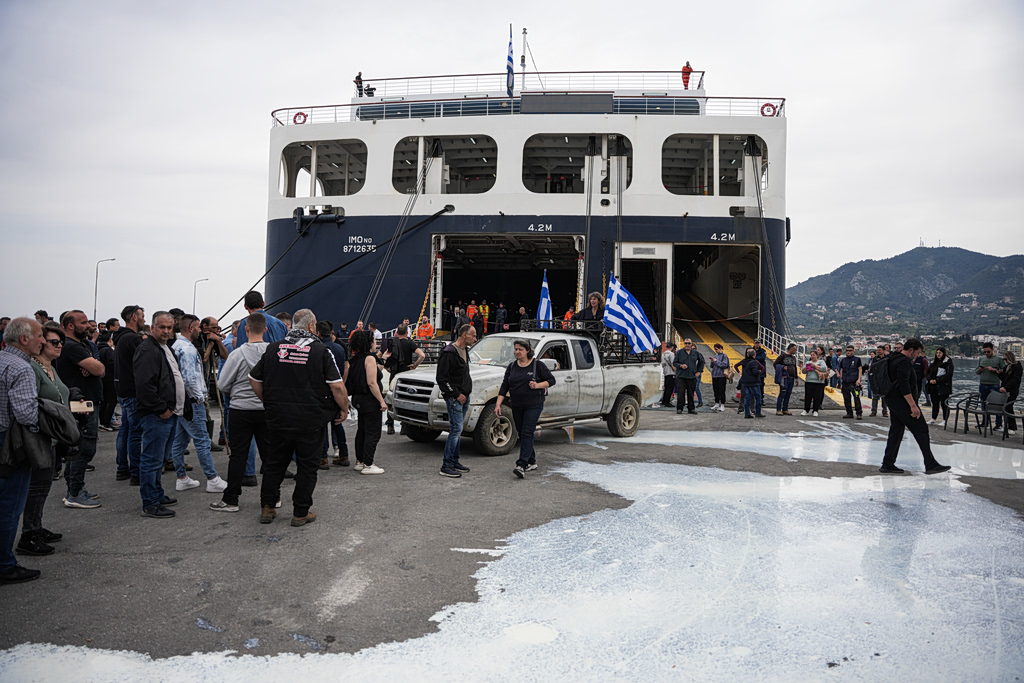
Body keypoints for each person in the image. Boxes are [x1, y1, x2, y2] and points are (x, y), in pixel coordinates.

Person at [249, 309, 349, 526]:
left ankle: (267, 507)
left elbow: (254, 379)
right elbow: (337, 386)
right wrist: (344, 408)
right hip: (310, 420)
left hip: (278, 418)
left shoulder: (274, 348)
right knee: (307, 466)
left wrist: (268, 401)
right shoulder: (320, 351)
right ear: (312, 326)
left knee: (274, 463)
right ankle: (300, 512)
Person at [211, 313, 270, 513]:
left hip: (240, 410)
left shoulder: (237, 354)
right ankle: (271, 499)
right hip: (266, 411)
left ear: (246, 329)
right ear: (266, 329)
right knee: (270, 456)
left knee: (238, 456)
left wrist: (235, 390)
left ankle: (231, 499)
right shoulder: (273, 353)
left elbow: (222, 383)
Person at [0, 318, 45, 583]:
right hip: (11, 444)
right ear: (25, 339)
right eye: (40, 335)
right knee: (9, 506)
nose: (43, 340)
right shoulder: (22, 367)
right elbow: (27, 415)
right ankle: (5, 565)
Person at [19, 325, 70, 556]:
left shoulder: (50, 368)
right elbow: (34, 405)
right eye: (53, 342)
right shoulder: (33, 368)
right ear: (41, 344)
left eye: (61, 342)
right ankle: (29, 535)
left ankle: (36, 526)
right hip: (38, 438)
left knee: (44, 486)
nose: (59, 345)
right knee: (37, 487)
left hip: (52, 437)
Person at [168, 315, 227, 494]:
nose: (202, 331)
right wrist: (199, 398)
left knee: (179, 441)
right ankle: (212, 479)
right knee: (202, 441)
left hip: (180, 402)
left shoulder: (175, 346)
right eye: (199, 328)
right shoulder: (188, 350)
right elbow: (190, 379)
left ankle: (182, 478)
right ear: (192, 328)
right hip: (192, 402)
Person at [132, 311, 181, 518]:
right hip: (156, 414)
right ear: (152, 328)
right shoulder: (147, 350)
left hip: (169, 412)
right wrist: (161, 408)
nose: (166, 331)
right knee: (152, 459)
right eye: (162, 327)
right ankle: (150, 502)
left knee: (160, 458)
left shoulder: (164, 348)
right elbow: (145, 385)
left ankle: (157, 494)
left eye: (169, 328)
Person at [55, 310, 104, 509]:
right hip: (81, 404)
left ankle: (74, 489)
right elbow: (100, 369)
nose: (89, 326)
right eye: (83, 323)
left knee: (81, 446)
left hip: (88, 401)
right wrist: (92, 366)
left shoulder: (82, 345)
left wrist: (91, 365)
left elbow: (96, 364)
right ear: (70, 326)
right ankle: (74, 492)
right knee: (83, 447)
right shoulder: (71, 346)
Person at [879, 338, 951, 475]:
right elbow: (903, 384)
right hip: (902, 401)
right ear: (911, 350)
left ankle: (888, 463)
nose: (918, 356)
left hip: (891, 399)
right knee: (921, 429)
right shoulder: (904, 362)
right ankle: (930, 464)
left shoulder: (894, 358)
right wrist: (913, 405)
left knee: (897, 430)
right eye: (917, 353)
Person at [496, 339, 556, 478]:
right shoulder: (512, 367)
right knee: (522, 433)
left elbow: (551, 380)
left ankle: (521, 465)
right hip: (516, 404)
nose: (517, 352)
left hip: (534, 404)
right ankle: (532, 461)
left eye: (520, 349)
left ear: (527, 350)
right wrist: (498, 404)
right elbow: (505, 386)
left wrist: (538, 385)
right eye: (516, 349)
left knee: (527, 432)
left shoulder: (537, 365)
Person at [436, 324, 476, 477]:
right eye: (473, 335)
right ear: (464, 335)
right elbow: (442, 378)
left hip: (464, 397)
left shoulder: (464, 350)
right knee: (456, 430)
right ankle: (446, 465)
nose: (475, 338)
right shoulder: (449, 353)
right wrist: (456, 394)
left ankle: (454, 461)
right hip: (455, 399)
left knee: (458, 430)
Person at [344, 330, 387, 475]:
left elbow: (373, 372)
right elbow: (372, 383)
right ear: (370, 343)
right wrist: (381, 401)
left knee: (362, 430)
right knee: (373, 432)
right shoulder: (369, 358)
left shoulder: (358, 358)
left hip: (359, 399)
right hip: (370, 400)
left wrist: (381, 357)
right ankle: (368, 464)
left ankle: (360, 461)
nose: (376, 343)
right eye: (374, 340)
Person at [114, 305, 145, 485]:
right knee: (135, 433)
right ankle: (136, 472)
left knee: (125, 430)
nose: (144, 319)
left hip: (122, 390)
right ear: (133, 317)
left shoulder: (120, 338)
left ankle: (122, 468)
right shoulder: (132, 339)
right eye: (142, 316)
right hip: (132, 391)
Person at [316, 321, 350, 467]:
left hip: (322, 391)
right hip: (338, 388)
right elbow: (343, 369)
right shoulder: (340, 348)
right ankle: (343, 454)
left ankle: (323, 457)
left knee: (322, 426)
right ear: (332, 333)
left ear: (318, 334)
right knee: (338, 423)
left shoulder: (318, 349)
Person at [382, 323, 424, 435]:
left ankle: (390, 425)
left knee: (391, 398)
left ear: (397, 332)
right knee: (406, 399)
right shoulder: (410, 343)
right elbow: (422, 355)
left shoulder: (392, 342)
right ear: (407, 332)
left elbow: (384, 356)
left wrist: (387, 368)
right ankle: (404, 426)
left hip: (394, 373)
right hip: (406, 374)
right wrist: (414, 365)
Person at [976, 342, 1006, 429]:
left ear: (993, 349)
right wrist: (980, 370)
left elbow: (1004, 371)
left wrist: (994, 370)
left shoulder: (999, 359)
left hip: (995, 385)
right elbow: (977, 372)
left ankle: (998, 424)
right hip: (983, 384)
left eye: (988, 352)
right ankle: (985, 422)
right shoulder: (981, 359)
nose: (986, 354)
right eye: (984, 352)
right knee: (983, 404)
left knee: (997, 405)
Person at [925, 347, 954, 426]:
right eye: (937, 352)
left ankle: (945, 419)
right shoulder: (933, 362)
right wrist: (930, 379)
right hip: (933, 386)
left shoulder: (947, 362)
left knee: (944, 404)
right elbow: (928, 373)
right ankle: (933, 418)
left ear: (943, 353)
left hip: (943, 386)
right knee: (935, 403)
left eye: (940, 353)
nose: (938, 354)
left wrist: (937, 380)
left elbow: (949, 375)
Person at [673, 339, 703, 415]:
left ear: (691, 344)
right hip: (681, 376)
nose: (687, 344)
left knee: (691, 393)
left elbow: (702, 361)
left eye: (689, 343)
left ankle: (691, 408)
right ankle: (680, 408)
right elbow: (674, 362)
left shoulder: (696, 353)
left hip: (691, 376)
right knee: (681, 393)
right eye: (685, 343)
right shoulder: (679, 353)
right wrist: (680, 366)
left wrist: (699, 371)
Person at [838, 345, 864, 419]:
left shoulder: (857, 359)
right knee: (846, 398)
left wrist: (859, 379)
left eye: (850, 350)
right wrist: (841, 378)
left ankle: (859, 413)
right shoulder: (843, 360)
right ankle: (849, 413)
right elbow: (841, 369)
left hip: (854, 382)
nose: (848, 352)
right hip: (845, 382)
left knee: (856, 398)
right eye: (847, 350)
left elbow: (860, 369)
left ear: (853, 351)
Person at [738, 348, 765, 418]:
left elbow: (736, 366)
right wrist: (759, 372)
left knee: (747, 398)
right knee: (758, 397)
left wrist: (739, 372)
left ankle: (747, 413)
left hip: (745, 382)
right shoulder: (754, 362)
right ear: (754, 354)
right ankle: (758, 412)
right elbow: (755, 372)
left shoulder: (744, 361)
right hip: (754, 382)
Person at [773, 343, 799, 416]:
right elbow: (775, 364)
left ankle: (785, 409)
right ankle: (778, 409)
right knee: (782, 393)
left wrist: (796, 377)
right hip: (784, 378)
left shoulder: (794, 358)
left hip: (792, 378)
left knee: (788, 394)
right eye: (795, 349)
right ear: (791, 349)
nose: (796, 351)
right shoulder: (782, 356)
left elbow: (795, 367)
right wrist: (782, 367)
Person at [999, 351, 1021, 435]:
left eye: (1006, 359)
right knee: (1005, 407)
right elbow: (1004, 378)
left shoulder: (1017, 367)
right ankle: (1007, 426)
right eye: (1003, 359)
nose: (1005, 361)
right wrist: (999, 374)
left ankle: (1012, 427)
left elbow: (1015, 380)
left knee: (1009, 407)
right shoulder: (1007, 367)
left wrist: (1006, 387)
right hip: (1005, 390)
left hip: (1012, 390)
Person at [801, 349, 827, 417]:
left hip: (818, 382)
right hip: (809, 381)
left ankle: (815, 410)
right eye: (811, 355)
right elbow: (803, 371)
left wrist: (815, 366)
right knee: (808, 396)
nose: (812, 356)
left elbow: (824, 368)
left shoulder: (821, 362)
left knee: (817, 397)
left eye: (814, 355)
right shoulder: (808, 362)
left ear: (817, 355)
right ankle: (806, 410)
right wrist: (806, 368)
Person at [708, 343, 730, 412]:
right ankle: (717, 403)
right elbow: (711, 366)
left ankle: (722, 404)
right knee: (715, 390)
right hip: (715, 375)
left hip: (721, 376)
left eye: (716, 349)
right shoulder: (716, 356)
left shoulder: (724, 356)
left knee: (722, 390)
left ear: (720, 348)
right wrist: (712, 361)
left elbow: (725, 365)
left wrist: (716, 361)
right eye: (715, 349)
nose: (715, 350)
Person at [870, 345, 889, 417]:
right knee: (875, 396)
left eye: (880, 350)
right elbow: (872, 369)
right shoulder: (875, 359)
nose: (878, 351)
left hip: (884, 380)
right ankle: (873, 411)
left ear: (883, 350)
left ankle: (885, 411)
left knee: (884, 397)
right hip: (876, 379)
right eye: (877, 350)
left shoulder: (887, 359)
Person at [660, 342, 677, 407]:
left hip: (665, 372)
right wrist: (676, 372)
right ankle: (667, 402)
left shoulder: (663, 354)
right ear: (672, 347)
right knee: (670, 388)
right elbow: (673, 364)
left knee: (666, 388)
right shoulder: (671, 354)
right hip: (671, 372)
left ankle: (664, 401)